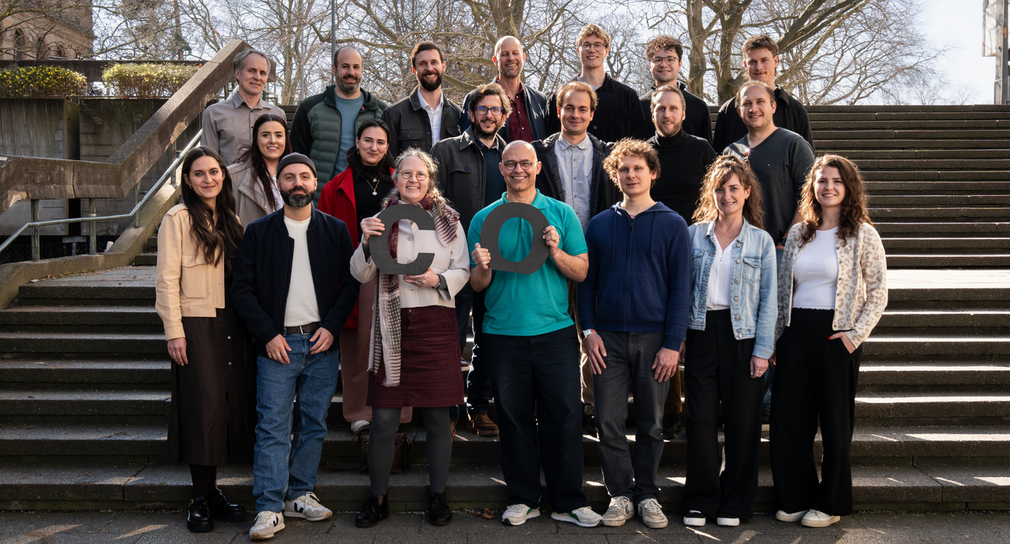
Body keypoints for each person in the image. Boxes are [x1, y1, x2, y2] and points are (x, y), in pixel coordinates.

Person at [469, 141, 601, 528]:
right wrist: (481, 266)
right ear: (501, 169)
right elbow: (478, 285)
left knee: (564, 415)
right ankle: (524, 497)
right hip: (502, 333)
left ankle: (568, 500)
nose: (518, 169)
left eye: (525, 163)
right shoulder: (484, 218)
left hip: (555, 332)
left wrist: (557, 252)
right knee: (513, 419)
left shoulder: (560, 214)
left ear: (538, 167)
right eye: (510, 164)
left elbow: (581, 271)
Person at [232, 153, 359, 541]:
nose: (297, 183)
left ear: (315, 182)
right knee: (272, 426)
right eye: (289, 177)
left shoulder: (336, 230)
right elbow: (242, 289)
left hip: (321, 342)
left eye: (304, 176)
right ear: (279, 184)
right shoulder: (259, 231)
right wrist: (267, 334)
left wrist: (333, 327)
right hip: (277, 344)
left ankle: (300, 494)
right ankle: (269, 506)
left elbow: (351, 283)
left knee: (314, 423)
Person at [351, 149, 470, 528]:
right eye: (406, 173)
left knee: (438, 419)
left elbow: (463, 268)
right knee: (384, 421)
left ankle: (437, 496)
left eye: (420, 174)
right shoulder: (381, 221)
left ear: (429, 179)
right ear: (396, 178)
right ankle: (378, 498)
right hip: (392, 325)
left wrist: (438, 280)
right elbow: (361, 274)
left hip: (436, 322)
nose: (413, 179)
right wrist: (366, 240)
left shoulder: (449, 221)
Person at [578, 139, 691, 530]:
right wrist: (588, 332)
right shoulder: (599, 224)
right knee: (607, 422)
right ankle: (620, 494)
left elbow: (681, 290)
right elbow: (585, 286)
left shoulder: (674, 224)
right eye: (623, 169)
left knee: (652, 423)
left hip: (655, 341)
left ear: (653, 173)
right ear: (615, 175)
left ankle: (647, 494)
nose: (630, 174)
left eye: (638, 168)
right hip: (606, 340)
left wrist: (672, 344)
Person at [771, 154, 888, 528]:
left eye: (836, 180)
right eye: (822, 180)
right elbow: (781, 292)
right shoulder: (797, 233)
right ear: (812, 187)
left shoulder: (862, 234)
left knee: (836, 425)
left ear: (848, 186)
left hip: (837, 336)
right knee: (790, 422)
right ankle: (795, 496)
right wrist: (775, 339)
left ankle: (831, 501)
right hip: (794, 334)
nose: (829, 187)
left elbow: (879, 292)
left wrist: (854, 337)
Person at [155, 147, 253, 533]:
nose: (208, 179)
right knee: (202, 409)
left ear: (224, 177)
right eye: (199, 173)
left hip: (233, 323)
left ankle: (213, 493)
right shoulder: (177, 219)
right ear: (188, 180)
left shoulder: (232, 219)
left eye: (214, 172)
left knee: (225, 408)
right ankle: (198, 497)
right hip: (196, 324)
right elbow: (166, 279)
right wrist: (174, 332)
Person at [680, 156, 776, 528]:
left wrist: (763, 351)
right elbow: (680, 290)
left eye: (734, 188)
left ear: (747, 192)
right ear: (712, 193)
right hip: (702, 332)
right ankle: (700, 500)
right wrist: (681, 336)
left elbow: (770, 298)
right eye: (720, 188)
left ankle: (735, 502)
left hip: (744, 337)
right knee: (701, 420)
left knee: (744, 423)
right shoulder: (693, 234)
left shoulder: (761, 241)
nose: (726, 195)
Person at [318, 120, 411, 438]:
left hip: (398, 271)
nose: (374, 147)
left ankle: (397, 409)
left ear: (388, 147)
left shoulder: (401, 182)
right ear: (356, 142)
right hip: (355, 271)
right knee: (357, 347)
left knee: (396, 342)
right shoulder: (335, 186)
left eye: (381, 142)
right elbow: (325, 235)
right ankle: (359, 412)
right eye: (368, 140)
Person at [534, 81, 616, 433]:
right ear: (558, 110)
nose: (576, 114)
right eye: (569, 107)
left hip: (593, 255)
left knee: (593, 334)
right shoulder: (540, 152)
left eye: (583, 109)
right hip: (549, 255)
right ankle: (552, 407)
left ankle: (593, 408)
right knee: (551, 335)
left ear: (592, 114)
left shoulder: (607, 154)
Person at [432, 83, 511, 437]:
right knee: (450, 339)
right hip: (456, 262)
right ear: (471, 112)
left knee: (490, 339)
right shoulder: (447, 151)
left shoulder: (512, 156)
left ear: (505, 115)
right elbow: (433, 205)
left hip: (499, 265)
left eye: (496, 109)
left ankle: (477, 406)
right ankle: (447, 410)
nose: (489, 115)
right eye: (483, 109)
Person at [646, 84, 717, 438]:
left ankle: (700, 408)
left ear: (684, 113)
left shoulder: (702, 149)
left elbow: (717, 196)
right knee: (667, 329)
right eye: (660, 109)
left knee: (698, 330)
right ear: (652, 112)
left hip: (699, 250)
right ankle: (672, 409)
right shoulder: (643, 152)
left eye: (673, 109)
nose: (667, 114)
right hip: (654, 256)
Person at [290, 45, 387, 193]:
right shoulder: (309, 108)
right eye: (345, 66)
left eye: (356, 67)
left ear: (362, 70)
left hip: (364, 196)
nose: (351, 72)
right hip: (320, 198)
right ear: (334, 69)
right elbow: (296, 156)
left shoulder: (380, 111)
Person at [546, 24, 651, 142]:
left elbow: (641, 144)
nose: (592, 50)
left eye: (597, 45)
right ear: (578, 50)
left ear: (606, 51)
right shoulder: (560, 97)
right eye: (586, 45)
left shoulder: (627, 97)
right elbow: (550, 142)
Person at [713, 34, 813, 153]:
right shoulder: (728, 110)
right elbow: (718, 161)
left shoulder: (794, 110)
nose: (759, 67)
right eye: (753, 62)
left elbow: (808, 161)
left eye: (764, 60)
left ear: (776, 61)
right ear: (745, 65)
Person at [202, 48, 286, 165]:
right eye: (251, 71)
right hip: (231, 182)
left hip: (267, 182)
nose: (257, 77)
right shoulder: (214, 113)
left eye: (262, 73)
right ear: (238, 74)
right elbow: (208, 161)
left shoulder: (278, 114)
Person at [460, 36, 548, 143]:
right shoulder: (474, 99)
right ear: (495, 60)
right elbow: (466, 146)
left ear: (523, 58)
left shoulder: (539, 100)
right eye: (504, 54)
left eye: (515, 53)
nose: (511, 58)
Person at [381, 41, 461, 158]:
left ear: (443, 66)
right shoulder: (394, 115)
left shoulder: (458, 115)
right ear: (414, 70)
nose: (429, 68)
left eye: (434, 62)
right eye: (423, 64)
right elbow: (389, 165)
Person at [640, 35, 712, 142]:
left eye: (670, 59)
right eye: (657, 59)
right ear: (650, 65)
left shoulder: (699, 106)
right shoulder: (637, 106)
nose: (664, 64)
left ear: (679, 64)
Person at [229, 113, 290, 228]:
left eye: (278, 135)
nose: (273, 140)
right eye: (266, 135)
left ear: (286, 139)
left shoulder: (299, 174)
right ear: (256, 139)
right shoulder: (233, 176)